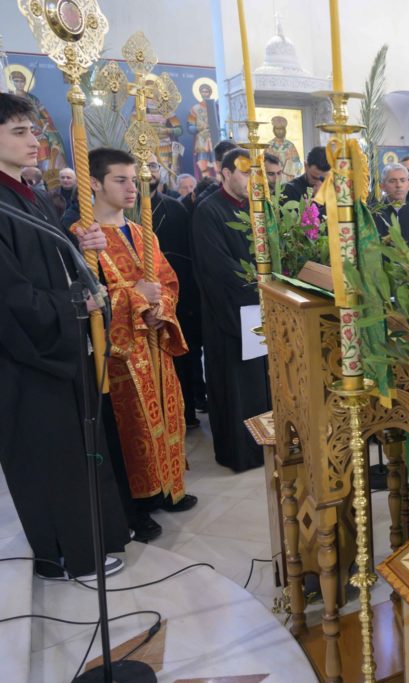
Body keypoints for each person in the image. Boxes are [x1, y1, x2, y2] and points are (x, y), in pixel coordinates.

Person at [0, 93, 130, 578]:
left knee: (76, 452)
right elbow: (11, 297)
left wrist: (76, 244)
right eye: (20, 131)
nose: (35, 140)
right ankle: (65, 556)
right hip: (27, 361)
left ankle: (87, 545)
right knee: (50, 458)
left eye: (33, 130)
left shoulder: (26, 193)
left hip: (57, 348)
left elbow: (46, 260)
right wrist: (77, 303)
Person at [76, 147, 197, 531]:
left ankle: (168, 487)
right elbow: (88, 299)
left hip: (154, 342)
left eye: (134, 180)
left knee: (166, 415)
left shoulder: (143, 232)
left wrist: (160, 308)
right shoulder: (83, 237)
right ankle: (136, 506)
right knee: (130, 428)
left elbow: (168, 281)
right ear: (94, 183)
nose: (132, 188)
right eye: (120, 180)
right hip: (119, 354)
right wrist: (137, 297)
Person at [191, 148, 270, 472]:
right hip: (229, 314)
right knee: (237, 385)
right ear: (225, 174)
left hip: (260, 310)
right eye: (245, 172)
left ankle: (266, 447)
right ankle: (240, 453)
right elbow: (217, 267)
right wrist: (257, 284)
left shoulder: (257, 208)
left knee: (263, 383)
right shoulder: (208, 210)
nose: (253, 179)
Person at [146, 154, 205, 430]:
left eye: (153, 165)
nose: (148, 171)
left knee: (183, 357)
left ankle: (185, 414)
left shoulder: (175, 209)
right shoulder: (122, 210)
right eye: (141, 164)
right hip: (141, 301)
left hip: (178, 297)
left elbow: (189, 256)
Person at [374, 162, 409, 246]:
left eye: (402, 180)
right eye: (392, 181)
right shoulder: (375, 214)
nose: (399, 185)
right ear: (382, 187)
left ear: (408, 185)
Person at [267, 116, 303, 181]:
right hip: (274, 179)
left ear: (285, 130)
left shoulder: (290, 146)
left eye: (282, 129)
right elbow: (264, 164)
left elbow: (298, 164)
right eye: (277, 129)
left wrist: (290, 167)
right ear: (273, 130)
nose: (280, 131)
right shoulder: (269, 146)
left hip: (288, 180)